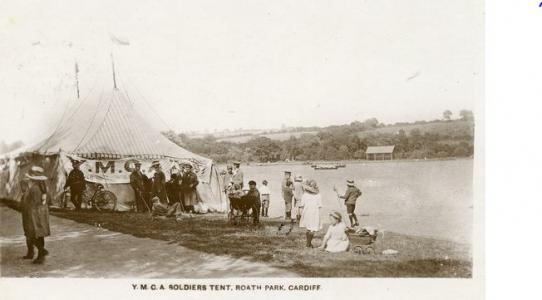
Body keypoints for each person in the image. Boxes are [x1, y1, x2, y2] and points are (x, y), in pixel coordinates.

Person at [21, 166, 51, 264]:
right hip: (40, 215)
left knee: (32, 235)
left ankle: (41, 252)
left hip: (33, 215)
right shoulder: (42, 187)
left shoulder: (34, 189)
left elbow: (30, 203)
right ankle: (39, 254)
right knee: (38, 235)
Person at [299, 179, 322, 248]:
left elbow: (302, 205)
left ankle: (308, 243)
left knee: (308, 228)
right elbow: (319, 206)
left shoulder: (304, 195)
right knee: (313, 228)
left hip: (307, 212)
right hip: (315, 212)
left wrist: (300, 214)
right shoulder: (318, 195)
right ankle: (308, 243)